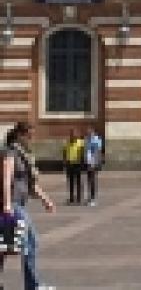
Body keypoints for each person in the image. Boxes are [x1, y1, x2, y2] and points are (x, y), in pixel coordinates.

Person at [2, 121, 57, 290]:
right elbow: (6, 178)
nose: (31, 138)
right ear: (20, 135)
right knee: (30, 242)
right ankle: (33, 285)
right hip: (13, 204)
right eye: (29, 135)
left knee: (3, 246)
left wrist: (45, 199)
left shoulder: (22, 154)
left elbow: (29, 183)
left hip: (19, 203)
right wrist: (7, 204)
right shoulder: (10, 152)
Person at [62, 131, 84, 206]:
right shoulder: (67, 143)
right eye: (72, 135)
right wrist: (64, 162)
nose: (73, 137)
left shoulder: (80, 143)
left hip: (77, 164)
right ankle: (71, 198)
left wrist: (83, 162)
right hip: (69, 164)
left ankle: (79, 198)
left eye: (74, 135)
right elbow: (64, 152)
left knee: (78, 182)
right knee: (71, 182)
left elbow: (83, 152)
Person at [83, 125, 103, 206]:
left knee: (93, 181)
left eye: (89, 131)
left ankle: (93, 199)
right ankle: (90, 198)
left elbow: (96, 153)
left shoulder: (96, 140)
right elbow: (86, 151)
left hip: (93, 163)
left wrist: (93, 163)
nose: (88, 132)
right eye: (87, 131)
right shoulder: (87, 139)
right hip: (88, 163)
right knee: (89, 180)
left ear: (93, 131)